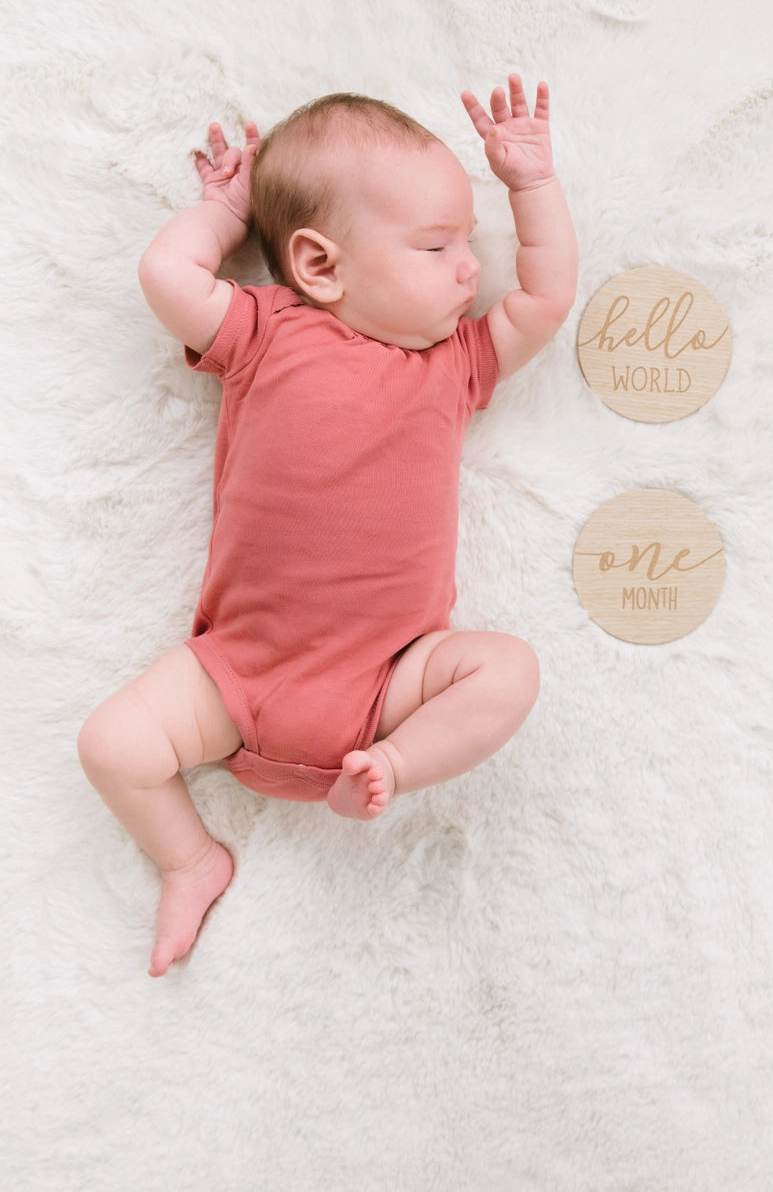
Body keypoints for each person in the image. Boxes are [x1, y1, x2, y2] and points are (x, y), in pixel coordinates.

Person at [77, 74, 578, 977]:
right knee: (111, 746)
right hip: (238, 673)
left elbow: (542, 300)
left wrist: (531, 186)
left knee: (508, 671)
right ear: (318, 266)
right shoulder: (267, 330)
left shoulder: (455, 363)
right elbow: (167, 274)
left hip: (389, 680)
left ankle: (395, 769)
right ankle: (192, 860)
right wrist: (228, 208)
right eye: (437, 245)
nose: (471, 266)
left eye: (467, 241)